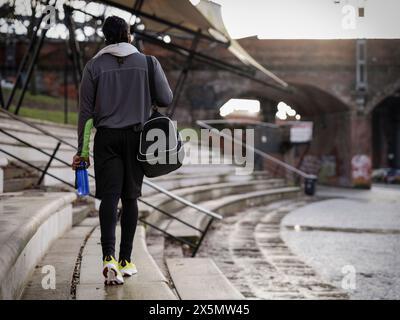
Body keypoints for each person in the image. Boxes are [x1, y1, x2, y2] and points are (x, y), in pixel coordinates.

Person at [72, 16, 173, 285]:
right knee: (130, 198)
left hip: (106, 140)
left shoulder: (93, 66)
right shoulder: (148, 62)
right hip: (136, 138)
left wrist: (82, 152)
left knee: (108, 198)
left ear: (105, 37)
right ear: (129, 35)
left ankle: (108, 259)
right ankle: (126, 261)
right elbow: (166, 99)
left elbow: (86, 114)